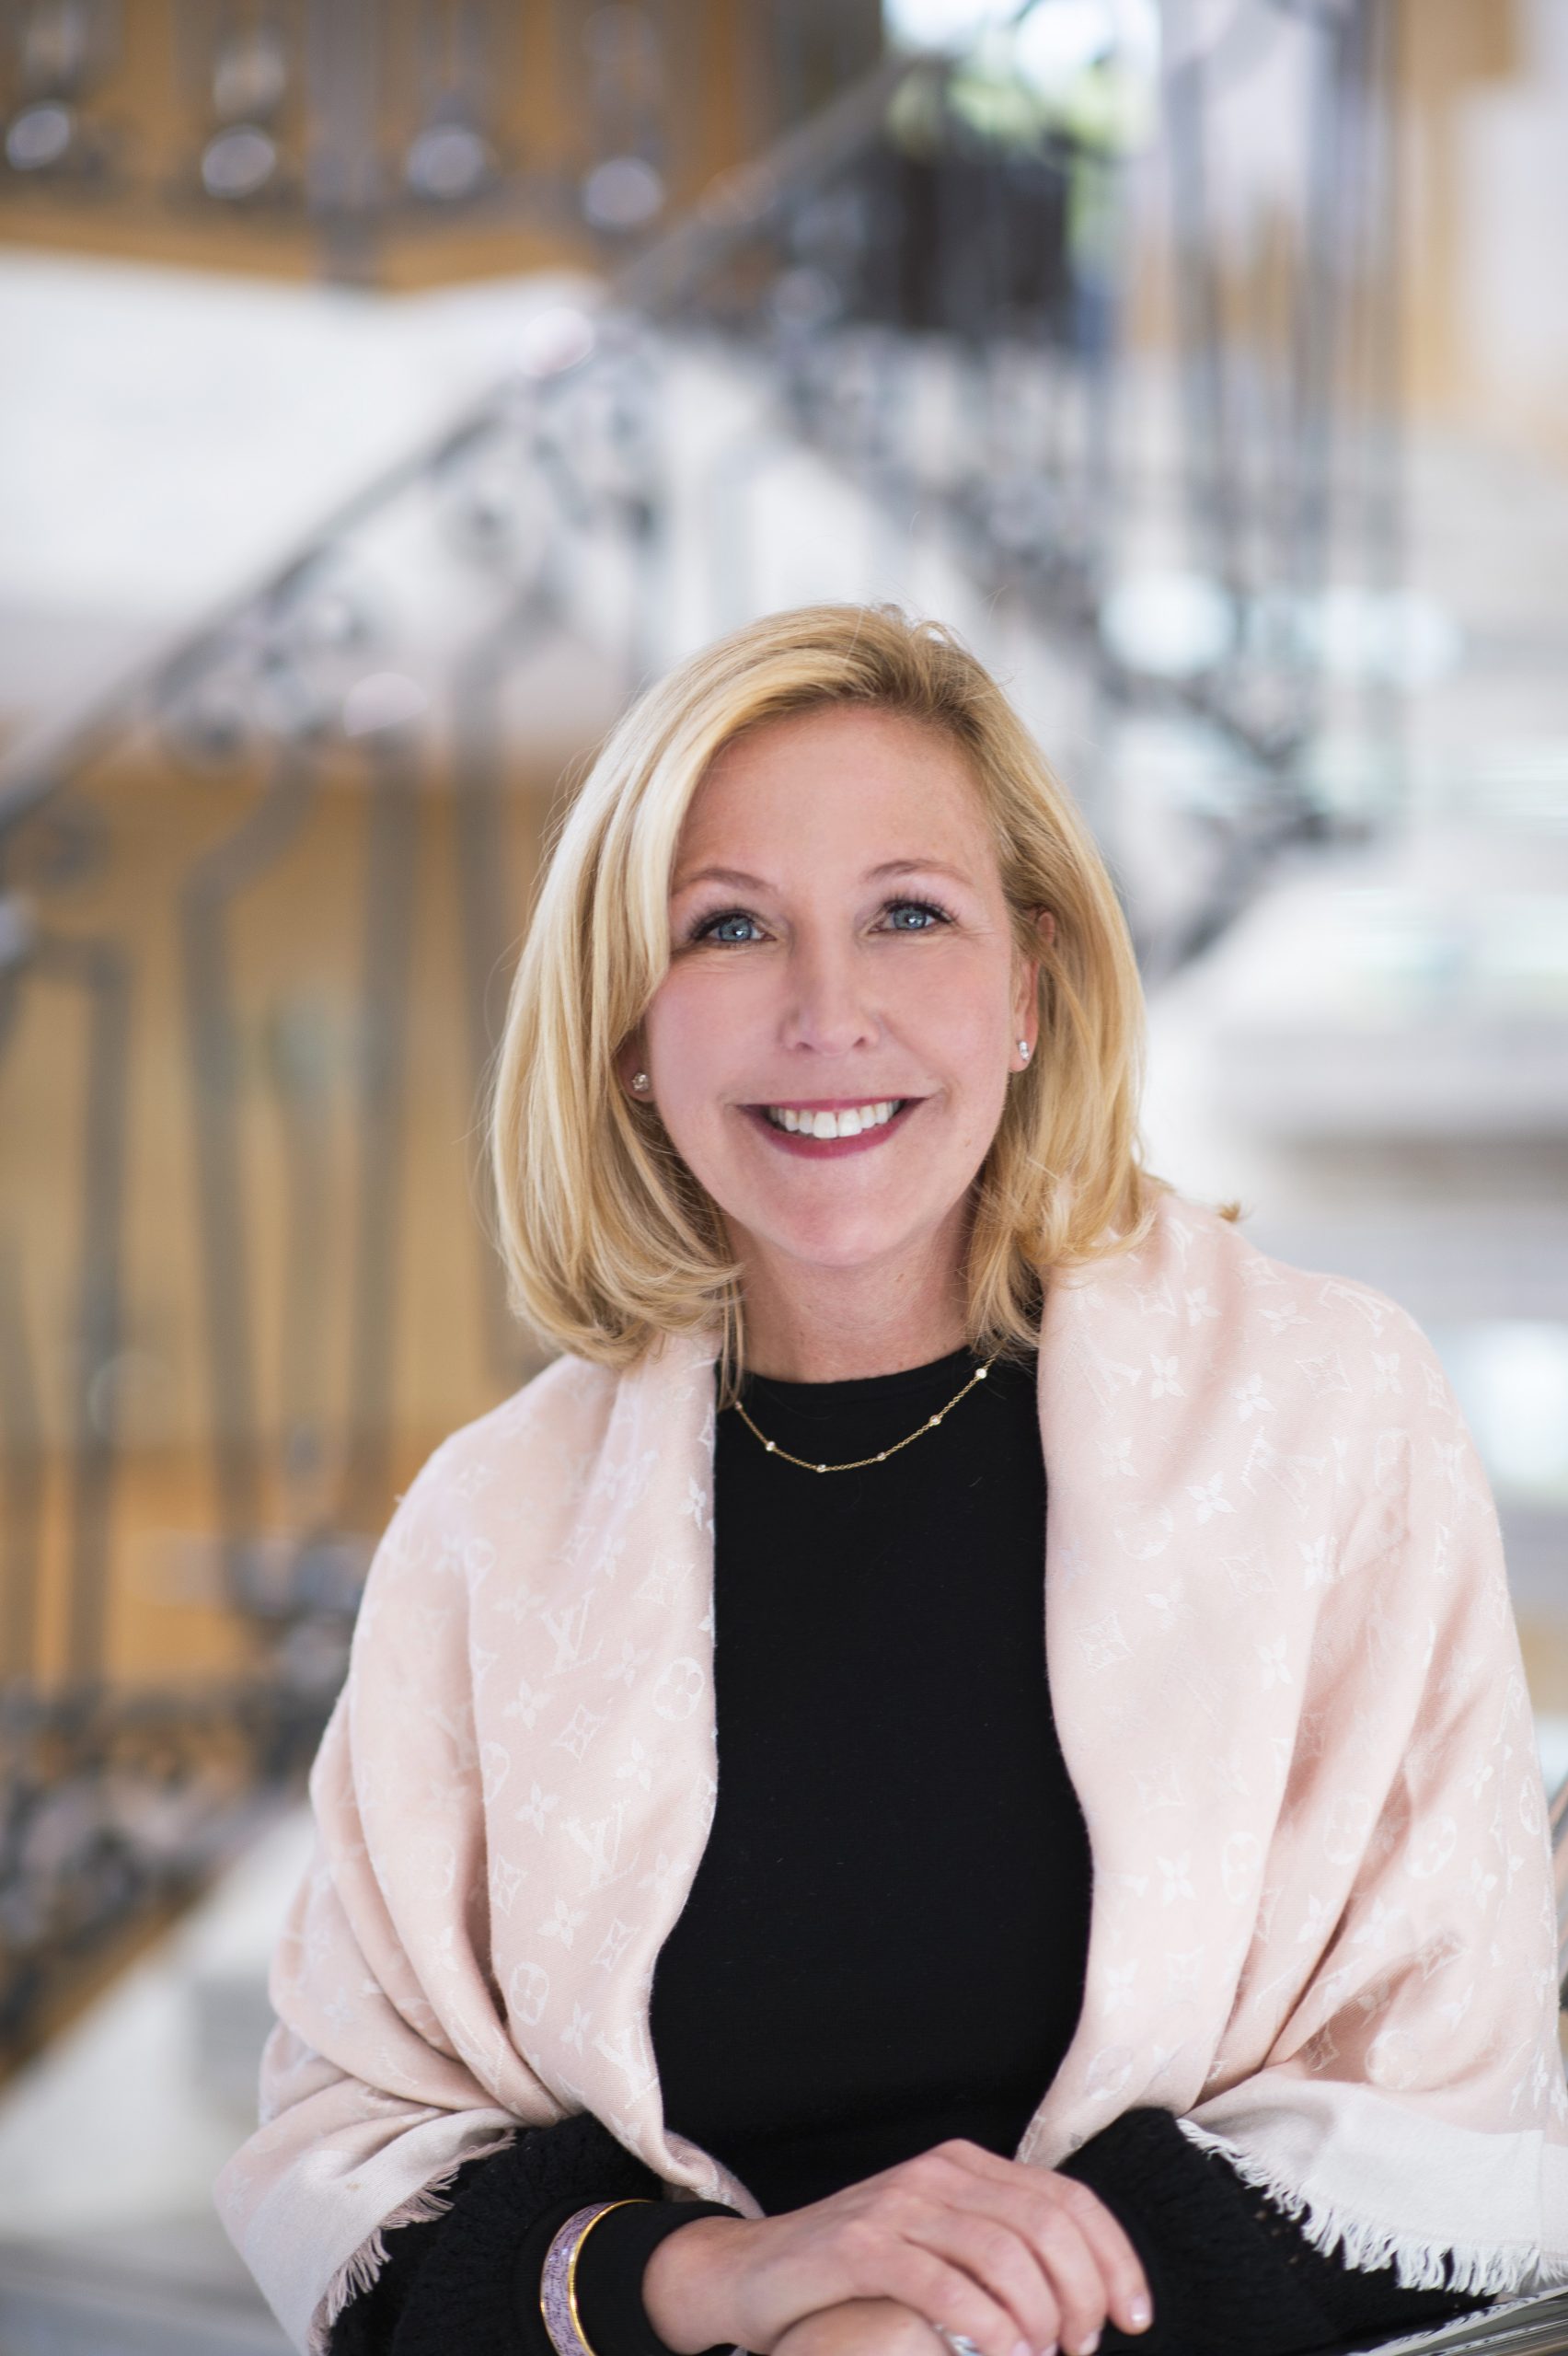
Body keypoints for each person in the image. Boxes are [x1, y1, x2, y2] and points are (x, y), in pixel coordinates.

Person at [217, 606, 1568, 2356]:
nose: (827, 1013)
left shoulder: (1324, 1415)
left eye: (908, 914)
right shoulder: (490, 1528)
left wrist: (913, 2329)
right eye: (730, 928)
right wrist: (713, 2276)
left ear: (1030, 989)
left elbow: (1441, 2111)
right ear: (630, 1029)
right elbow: (348, 2167)